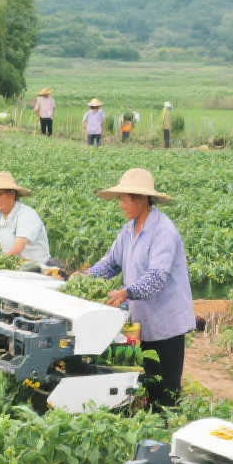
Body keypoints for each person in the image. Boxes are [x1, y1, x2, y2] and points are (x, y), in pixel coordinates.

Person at [87, 168, 194, 408]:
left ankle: (165, 436)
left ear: (141, 199)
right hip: (140, 323)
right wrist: (84, 278)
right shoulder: (129, 230)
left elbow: (156, 277)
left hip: (166, 326)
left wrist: (125, 292)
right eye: (121, 199)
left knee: (165, 393)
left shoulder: (163, 231)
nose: (121, 204)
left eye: (125, 198)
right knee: (142, 387)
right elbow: (110, 263)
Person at [0, 171, 50, 267]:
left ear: (12, 194)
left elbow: (18, 248)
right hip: (12, 264)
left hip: (36, 266)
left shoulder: (27, 214)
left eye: (0, 195)